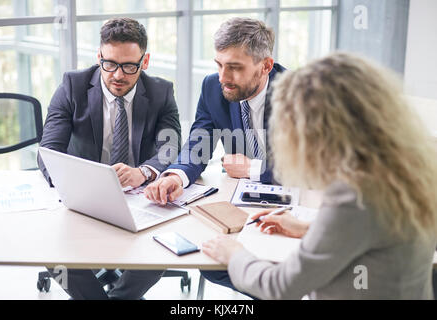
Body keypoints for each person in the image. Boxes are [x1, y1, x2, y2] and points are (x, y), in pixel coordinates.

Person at [202, 52, 437, 299]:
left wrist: (234, 254)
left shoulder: (354, 194)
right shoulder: (412, 167)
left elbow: (280, 287)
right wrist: (308, 228)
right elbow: (376, 233)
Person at [38, 18, 181, 299]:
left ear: (145, 60)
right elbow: (49, 152)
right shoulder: (72, 86)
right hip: (83, 200)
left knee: (162, 249)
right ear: (99, 57)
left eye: (129, 66)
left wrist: (144, 172)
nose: (118, 75)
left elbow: (171, 147)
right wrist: (86, 184)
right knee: (53, 253)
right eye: (110, 64)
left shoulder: (161, 92)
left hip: (138, 197)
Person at [145, 17, 285, 203]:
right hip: (238, 197)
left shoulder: (298, 95)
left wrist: (253, 168)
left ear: (266, 66)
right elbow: (199, 143)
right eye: (219, 64)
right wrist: (176, 176)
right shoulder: (212, 87)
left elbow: (309, 164)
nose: (222, 77)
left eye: (234, 67)